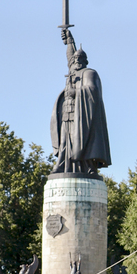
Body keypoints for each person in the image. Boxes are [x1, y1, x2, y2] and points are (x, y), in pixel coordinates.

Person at [50, 30, 111, 175]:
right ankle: (62, 164)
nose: (76, 61)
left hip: (82, 115)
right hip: (67, 112)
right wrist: (70, 41)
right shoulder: (73, 71)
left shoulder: (89, 73)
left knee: (83, 140)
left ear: (85, 61)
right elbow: (69, 56)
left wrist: (76, 92)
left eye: (79, 59)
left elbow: (92, 90)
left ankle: (88, 166)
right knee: (65, 140)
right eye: (75, 59)